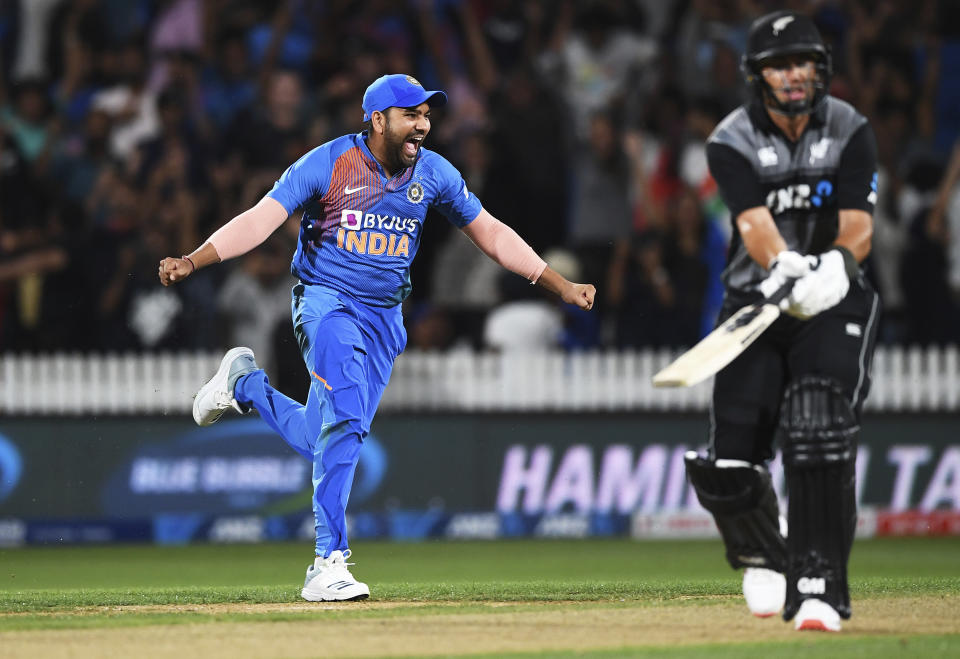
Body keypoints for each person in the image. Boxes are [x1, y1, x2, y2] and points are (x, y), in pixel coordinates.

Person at [158, 74, 596, 601]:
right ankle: (327, 561)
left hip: (384, 318)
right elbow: (261, 220)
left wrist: (560, 285)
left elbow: (493, 234)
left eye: (428, 115)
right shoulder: (328, 163)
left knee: (324, 434)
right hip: (326, 302)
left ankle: (245, 385)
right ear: (377, 119)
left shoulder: (433, 173)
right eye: (411, 115)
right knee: (343, 421)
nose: (423, 125)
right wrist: (194, 258)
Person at [683, 12, 879, 632]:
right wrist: (786, 267)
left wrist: (837, 266)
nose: (793, 76)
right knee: (733, 461)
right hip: (757, 299)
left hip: (833, 298)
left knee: (818, 422)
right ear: (757, 75)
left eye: (803, 63)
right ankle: (768, 554)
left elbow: (859, 224)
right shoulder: (730, 138)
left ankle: (820, 586)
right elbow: (752, 223)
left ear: (819, 69)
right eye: (779, 65)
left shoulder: (851, 128)